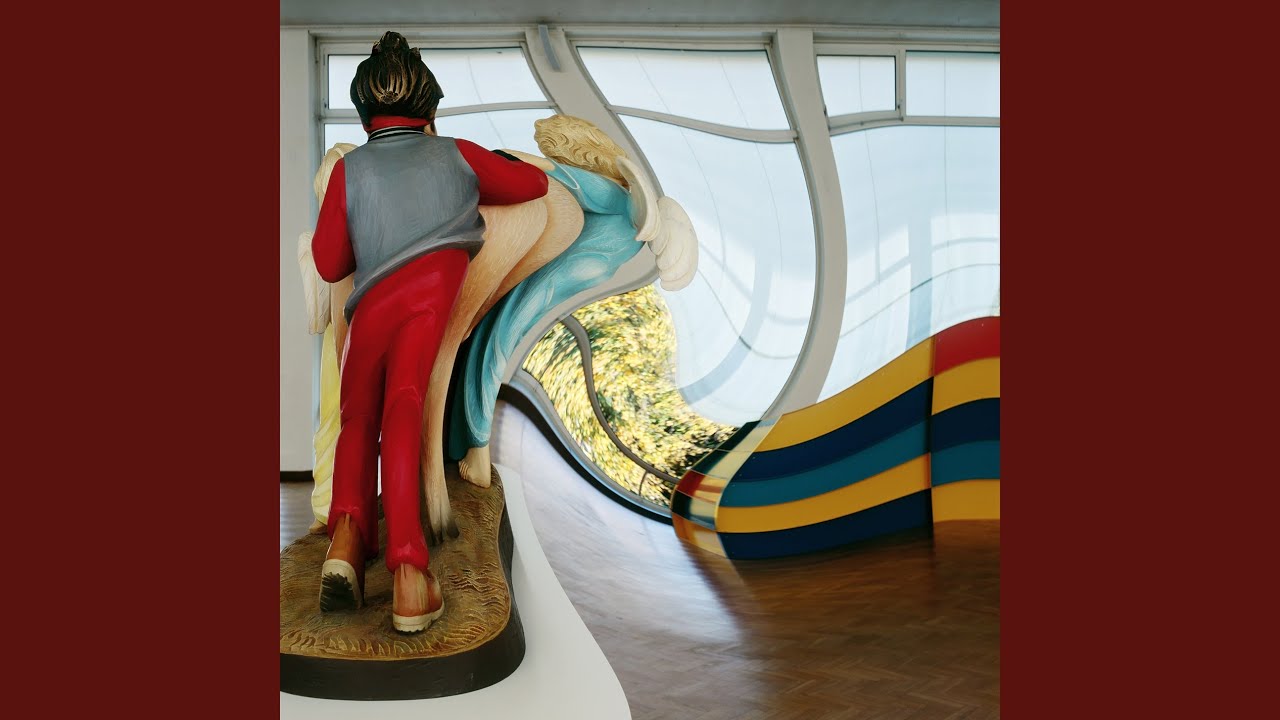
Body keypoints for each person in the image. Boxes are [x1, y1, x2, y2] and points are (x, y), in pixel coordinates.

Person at [310, 31, 548, 633]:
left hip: (367, 306)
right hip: (427, 296)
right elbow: (532, 186)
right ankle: (410, 573)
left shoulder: (350, 170)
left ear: (364, 112)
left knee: (357, 416)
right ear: (430, 108)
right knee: (404, 407)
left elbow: (330, 263)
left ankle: (346, 540)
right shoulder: (456, 154)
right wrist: (495, 160)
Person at [446, 115, 649, 483]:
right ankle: (465, 438)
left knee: (494, 345)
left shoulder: (609, 191)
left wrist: (496, 157)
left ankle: (476, 445)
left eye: (556, 148)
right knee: (490, 342)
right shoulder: (627, 204)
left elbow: (540, 171)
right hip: (566, 276)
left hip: (551, 277)